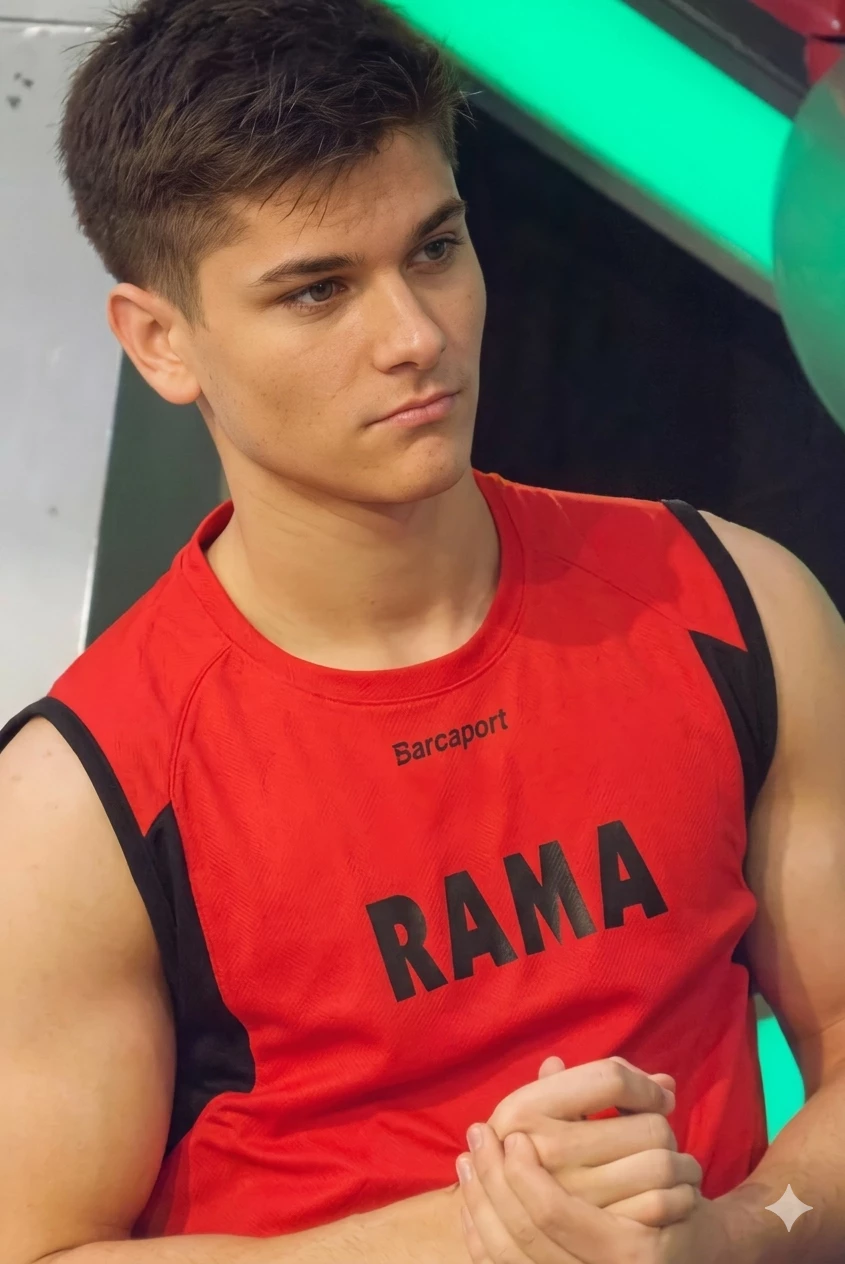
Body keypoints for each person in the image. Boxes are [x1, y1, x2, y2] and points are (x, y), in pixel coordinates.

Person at [2, 0, 845, 1261]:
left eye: (434, 249)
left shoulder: (731, 604)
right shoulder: (81, 801)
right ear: (161, 341)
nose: (414, 337)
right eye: (318, 291)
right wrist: (478, 1234)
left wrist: (733, 1238)